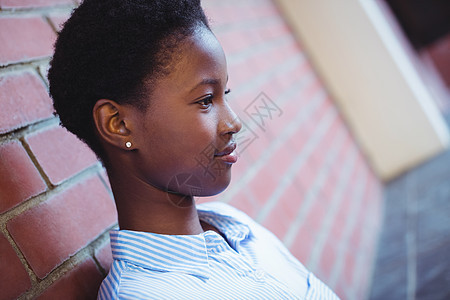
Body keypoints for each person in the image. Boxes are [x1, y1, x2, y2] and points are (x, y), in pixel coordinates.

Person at [48, 0, 340, 299]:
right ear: (119, 124)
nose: (234, 123)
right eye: (205, 100)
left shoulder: (233, 225)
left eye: (224, 94)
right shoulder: (142, 295)